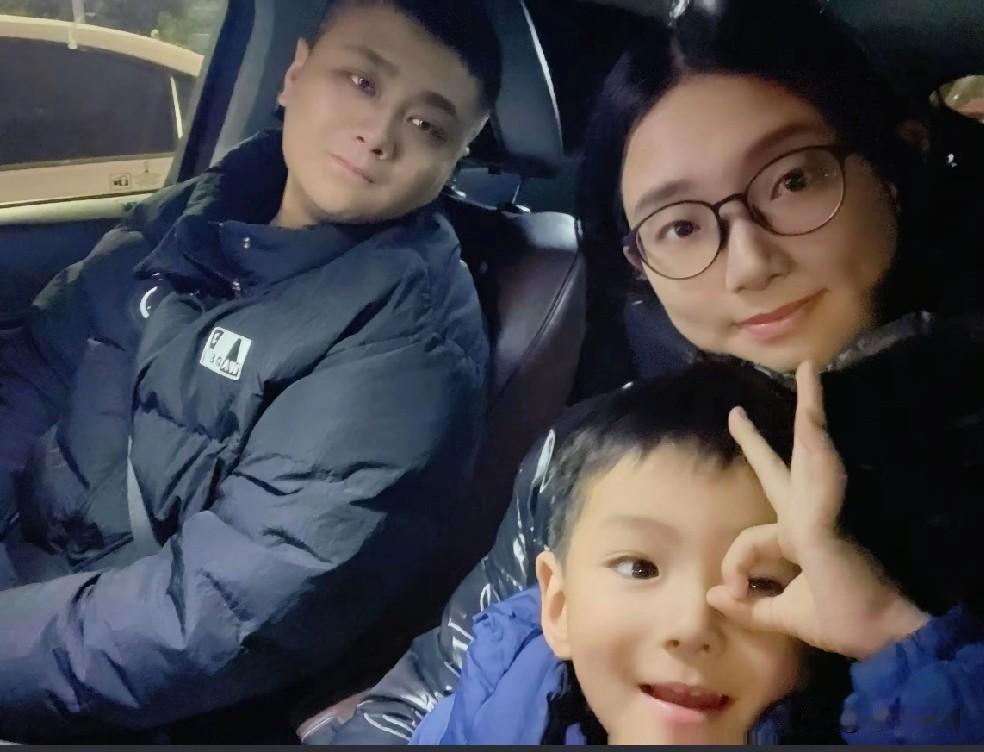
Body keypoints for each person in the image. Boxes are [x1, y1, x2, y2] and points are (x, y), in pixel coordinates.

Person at [326, 0, 984, 745]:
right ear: (640, 261)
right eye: (680, 226)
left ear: (895, 166)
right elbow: (440, 687)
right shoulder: (606, 449)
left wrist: (891, 632)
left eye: (794, 181)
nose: (749, 263)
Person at [0, 0, 500, 742]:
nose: (379, 134)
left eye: (427, 125)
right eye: (362, 81)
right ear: (294, 75)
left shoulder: (411, 345)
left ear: (455, 157)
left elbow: (215, 612)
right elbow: (37, 372)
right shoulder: (195, 213)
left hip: (132, 698)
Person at [409, 362, 983, 744]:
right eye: (640, 567)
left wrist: (883, 630)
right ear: (558, 607)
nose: (691, 627)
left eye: (761, 583)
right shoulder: (501, 693)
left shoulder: (877, 723)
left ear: (813, 647)